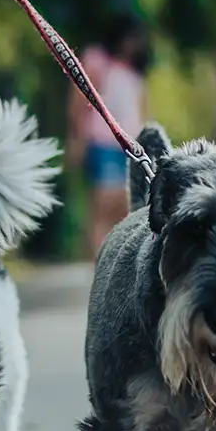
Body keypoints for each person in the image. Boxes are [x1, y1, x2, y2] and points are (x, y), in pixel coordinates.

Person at [66, 19, 149, 258]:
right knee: (101, 206)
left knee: (125, 209)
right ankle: (97, 267)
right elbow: (78, 103)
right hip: (102, 143)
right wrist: (76, 139)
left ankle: (116, 266)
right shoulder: (97, 60)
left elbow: (142, 111)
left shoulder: (135, 71)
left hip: (130, 147)